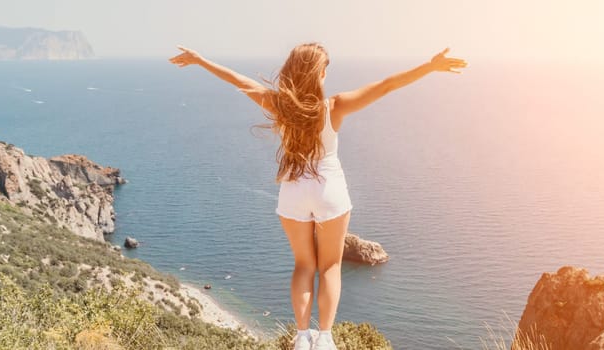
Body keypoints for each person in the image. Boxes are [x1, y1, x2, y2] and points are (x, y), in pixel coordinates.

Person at [169, 43, 466, 350]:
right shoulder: (334, 106)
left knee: (304, 266)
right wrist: (429, 67)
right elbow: (387, 85)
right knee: (330, 267)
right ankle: (324, 337)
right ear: (320, 74)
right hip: (329, 192)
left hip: (294, 191)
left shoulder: (278, 105)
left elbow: (240, 81)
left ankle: (301, 337)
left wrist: (200, 60)